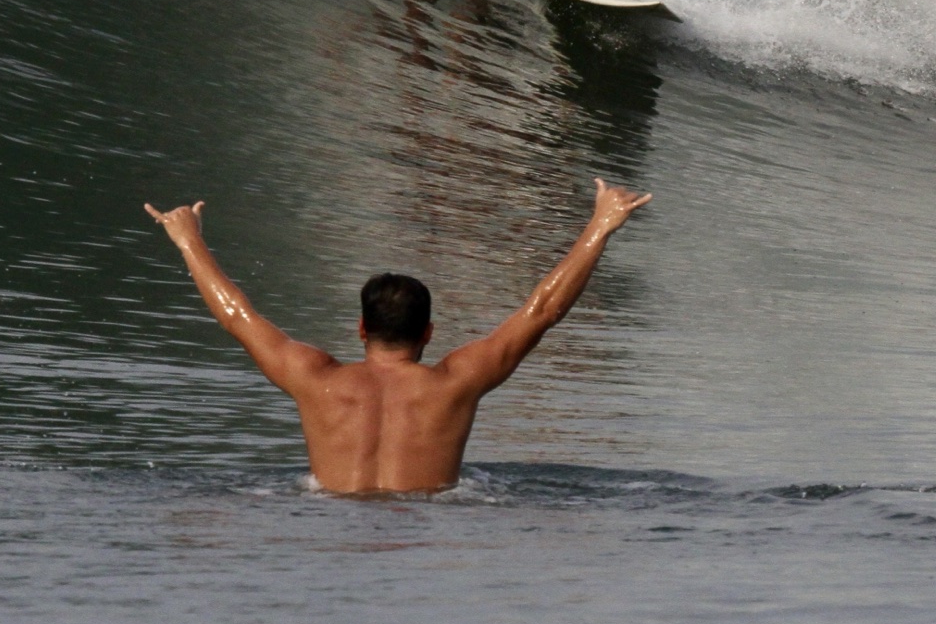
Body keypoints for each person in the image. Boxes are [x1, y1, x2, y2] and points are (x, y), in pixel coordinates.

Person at [142, 178, 653, 495]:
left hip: (327, 520)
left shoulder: (315, 379)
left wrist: (188, 239)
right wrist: (600, 226)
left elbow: (237, 315)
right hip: (432, 524)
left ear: (361, 329)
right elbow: (542, 311)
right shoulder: (454, 384)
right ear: (429, 332)